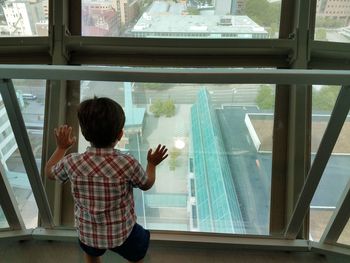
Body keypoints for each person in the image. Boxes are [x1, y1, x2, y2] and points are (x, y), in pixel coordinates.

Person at [45, 97, 168, 263]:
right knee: (137, 253)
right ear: (120, 134)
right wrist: (152, 164)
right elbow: (146, 184)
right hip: (123, 232)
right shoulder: (127, 163)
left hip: (88, 233)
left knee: (92, 255)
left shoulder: (72, 161)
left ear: (83, 133)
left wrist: (61, 148)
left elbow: (49, 172)